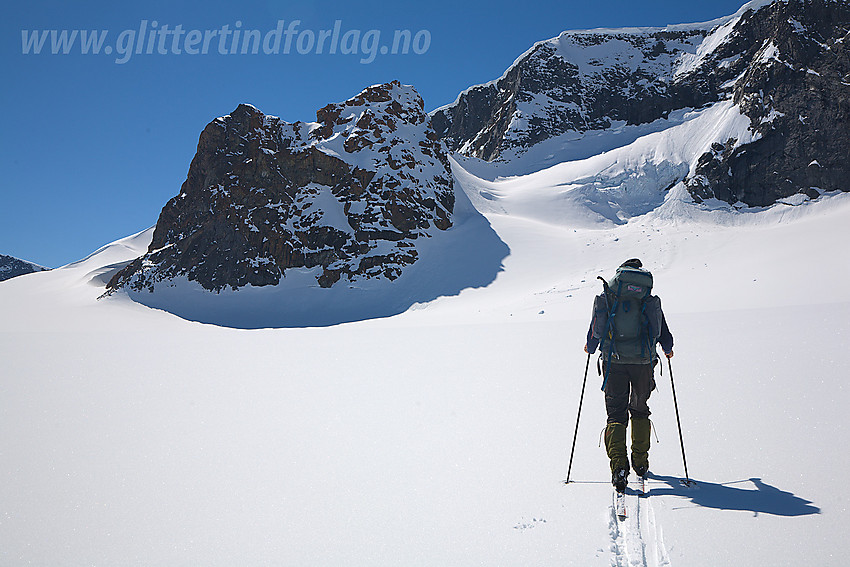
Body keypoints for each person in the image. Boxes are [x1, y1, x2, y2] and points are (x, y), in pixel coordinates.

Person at [584, 258, 674, 493]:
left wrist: (590, 346)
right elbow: (661, 327)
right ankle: (641, 463)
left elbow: (597, 326)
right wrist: (668, 347)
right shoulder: (647, 297)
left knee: (616, 413)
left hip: (614, 361)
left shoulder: (608, 295)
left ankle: (619, 468)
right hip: (643, 361)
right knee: (640, 408)